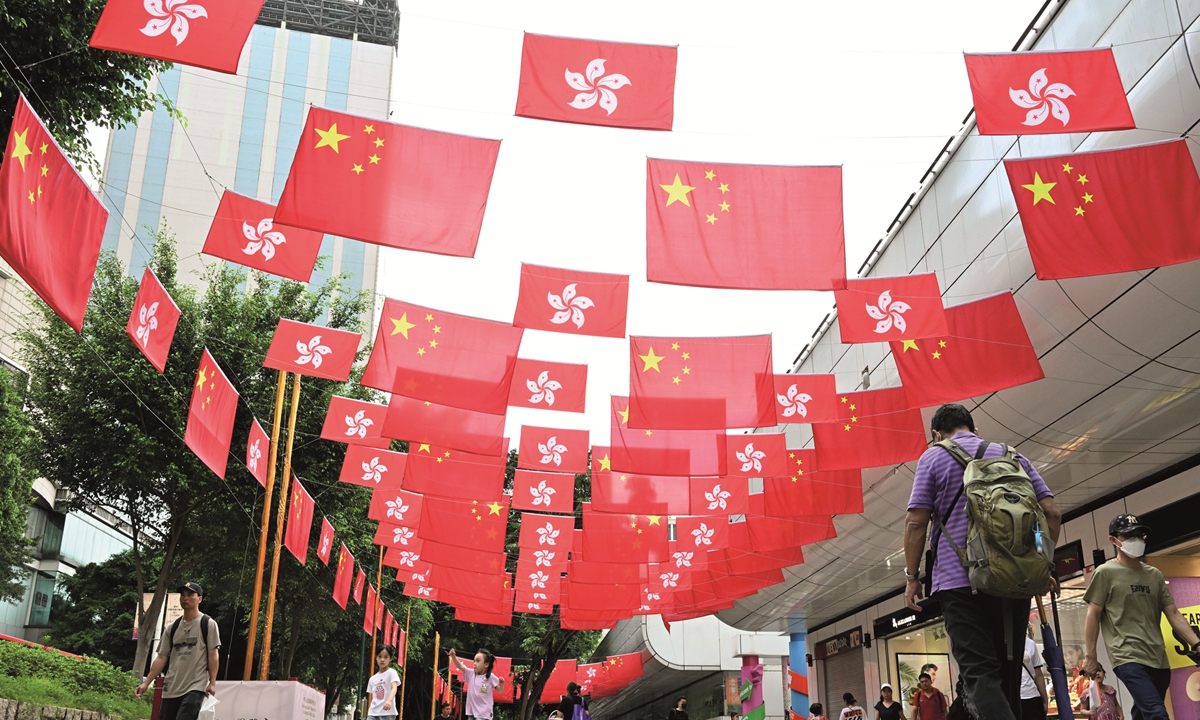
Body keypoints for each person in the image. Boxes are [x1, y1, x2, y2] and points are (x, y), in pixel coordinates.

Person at [904, 404, 1061, 720]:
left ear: (936, 434)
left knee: (980, 674)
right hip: (1013, 581)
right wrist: (1044, 564)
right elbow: (1051, 513)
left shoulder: (933, 457)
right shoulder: (1012, 456)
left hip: (959, 583)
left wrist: (912, 575)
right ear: (974, 429)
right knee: (1008, 675)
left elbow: (916, 523)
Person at [1083, 514, 1200, 720]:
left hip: (1158, 658)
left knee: (1142, 713)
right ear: (1114, 540)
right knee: (1156, 713)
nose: (1136, 539)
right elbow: (1093, 615)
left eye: (1140, 534)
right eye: (1129, 535)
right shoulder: (1105, 572)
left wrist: (1197, 644)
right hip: (1127, 657)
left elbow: (1172, 613)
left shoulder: (1153, 574)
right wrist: (1091, 656)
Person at [134, 582, 220, 720]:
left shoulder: (208, 624)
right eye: (182, 595)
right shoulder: (171, 628)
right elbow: (161, 657)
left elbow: (213, 654)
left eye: (190, 594)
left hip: (195, 686)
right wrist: (146, 683)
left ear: (199, 599)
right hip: (171, 689)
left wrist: (212, 682)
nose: (185, 598)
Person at [450, 648, 505, 720]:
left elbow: (500, 691)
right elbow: (460, 666)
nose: (475, 663)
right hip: (471, 711)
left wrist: (501, 684)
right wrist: (453, 657)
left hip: (484, 713)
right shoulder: (471, 673)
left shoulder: (491, 677)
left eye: (478, 661)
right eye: (474, 661)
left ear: (486, 664)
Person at [1020, 624, 1049, 720]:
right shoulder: (999, 642)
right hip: (1011, 698)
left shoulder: (1030, 644)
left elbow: (1038, 674)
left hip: (1032, 696)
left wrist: (1045, 700)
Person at [366, 645, 400, 719]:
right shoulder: (372, 679)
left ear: (390, 658)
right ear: (376, 658)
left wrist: (389, 701)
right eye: (380, 656)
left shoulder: (392, 673)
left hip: (387, 713)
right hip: (373, 713)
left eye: (385, 657)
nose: (382, 659)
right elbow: (371, 697)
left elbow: (394, 688)